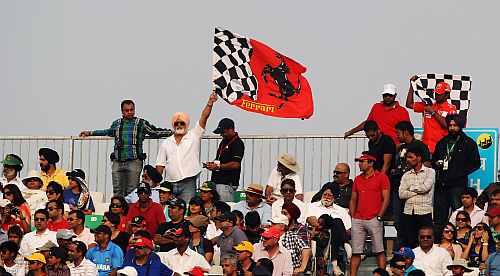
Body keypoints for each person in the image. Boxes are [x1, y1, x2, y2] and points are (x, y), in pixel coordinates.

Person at [80, 99, 173, 197]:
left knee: (132, 191)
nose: (129, 112)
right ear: (122, 112)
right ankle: (117, 211)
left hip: (134, 161)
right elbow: (107, 131)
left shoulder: (141, 123)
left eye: (131, 110)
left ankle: (130, 211)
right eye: (127, 110)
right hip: (118, 161)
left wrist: (172, 132)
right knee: (117, 190)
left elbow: (154, 132)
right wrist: (90, 133)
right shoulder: (117, 123)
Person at [155, 93, 218, 203]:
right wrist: (156, 183)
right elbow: (160, 165)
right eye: (176, 123)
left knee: (188, 209)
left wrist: (210, 103)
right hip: (170, 183)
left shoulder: (194, 135)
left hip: (188, 182)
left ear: (187, 124)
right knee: (171, 212)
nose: (179, 125)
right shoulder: (166, 142)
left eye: (182, 123)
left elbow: (204, 117)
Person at [433, 114, 481, 234]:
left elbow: (476, 163)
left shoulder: (469, 143)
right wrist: (436, 164)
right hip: (441, 185)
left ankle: (460, 241)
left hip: (457, 186)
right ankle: (439, 244)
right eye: (450, 125)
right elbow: (434, 160)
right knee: (439, 218)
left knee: (459, 216)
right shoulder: (442, 143)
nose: (452, 128)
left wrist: (458, 172)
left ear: (461, 126)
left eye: (455, 126)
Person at [349, 153, 390, 276]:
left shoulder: (382, 177)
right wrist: (353, 215)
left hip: (374, 218)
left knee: (379, 250)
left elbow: (386, 198)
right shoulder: (357, 179)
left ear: (371, 163)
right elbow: (353, 199)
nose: (359, 164)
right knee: (356, 252)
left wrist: (379, 216)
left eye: (362, 161)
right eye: (359, 161)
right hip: (358, 218)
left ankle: (381, 274)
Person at [392, 121, 431, 235]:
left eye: (398, 133)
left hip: (413, 190)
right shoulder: (401, 147)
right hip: (399, 188)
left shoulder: (420, 146)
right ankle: (402, 246)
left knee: (411, 221)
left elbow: (427, 164)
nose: (397, 136)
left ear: (406, 132)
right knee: (397, 221)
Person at [345, 83, 410, 145]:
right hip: (377, 145)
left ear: (395, 95)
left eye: (390, 95)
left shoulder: (402, 111)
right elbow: (367, 123)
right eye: (385, 95)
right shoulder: (376, 107)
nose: (387, 97)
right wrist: (351, 132)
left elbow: (407, 130)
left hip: (394, 146)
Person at [406, 77, 458, 153]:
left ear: (447, 94)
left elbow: (448, 125)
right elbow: (409, 104)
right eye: (436, 93)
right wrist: (412, 86)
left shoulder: (451, 109)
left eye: (439, 94)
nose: (436, 95)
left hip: (441, 147)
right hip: (425, 147)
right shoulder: (429, 105)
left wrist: (433, 112)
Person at [398, 145, 435, 248]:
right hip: (408, 212)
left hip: (424, 212)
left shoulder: (430, 172)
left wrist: (410, 189)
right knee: (410, 241)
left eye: (410, 157)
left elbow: (425, 188)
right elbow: (401, 194)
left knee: (426, 241)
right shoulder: (406, 175)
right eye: (407, 157)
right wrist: (417, 190)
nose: (408, 160)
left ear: (419, 158)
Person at [205, 118, 245, 202]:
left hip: (226, 184)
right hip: (217, 182)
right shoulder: (224, 142)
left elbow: (236, 164)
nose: (221, 135)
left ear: (231, 129)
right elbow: (221, 160)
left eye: (223, 132)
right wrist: (212, 164)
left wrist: (218, 166)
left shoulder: (237, 143)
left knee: (224, 211)